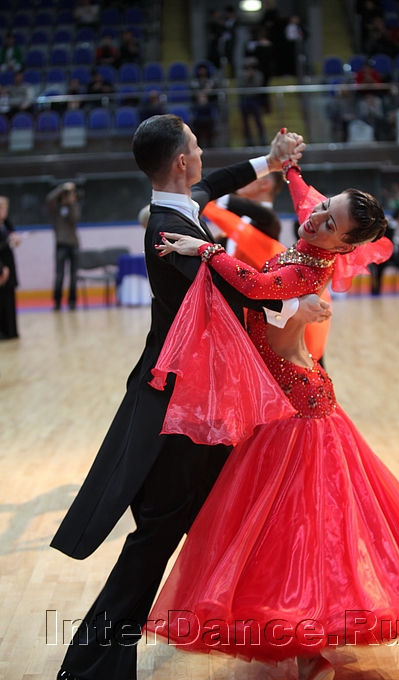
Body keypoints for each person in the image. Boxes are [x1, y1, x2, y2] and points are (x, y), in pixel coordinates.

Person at [147, 163, 399, 679]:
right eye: (325, 206)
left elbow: (254, 284)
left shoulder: (308, 273)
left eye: (330, 222)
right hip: (288, 399)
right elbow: (306, 202)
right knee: (293, 528)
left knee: (305, 528)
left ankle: (310, 641)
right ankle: (305, 638)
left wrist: (204, 249)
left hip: (298, 408)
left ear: (342, 246)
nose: (316, 218)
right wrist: (288, 168)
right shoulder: (314, 238)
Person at [51, 116, 330, 680]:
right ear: (181, 161)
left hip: (201, 403)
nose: (203, 154)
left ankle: (288, 630)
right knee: (161, 533)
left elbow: (216, 183)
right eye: (197, 146)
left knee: (238, 512)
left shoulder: (181, 206)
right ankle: (91, 663)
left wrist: (270, 160)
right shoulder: (167, 230)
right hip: (179, 409)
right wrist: (296, 305)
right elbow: (234, 290)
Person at [46, 183, 80, 311]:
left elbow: (74, 219)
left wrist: (72, 203)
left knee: (73, 275)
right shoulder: (56, 210)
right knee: (59, 275)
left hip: (73, 244)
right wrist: (63, 188)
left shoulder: (74, 207)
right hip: (61, 244)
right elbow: (49, 198)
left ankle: (72, 301)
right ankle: (57, 301)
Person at [0, 196, 20, 339]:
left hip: (8, 265)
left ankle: (11, 331)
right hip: (1, 267)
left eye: (6, 208)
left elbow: (11, 230)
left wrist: (14, 238)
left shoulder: (5, 224)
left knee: (9, 300)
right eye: (1, 208)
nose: (4, 211)